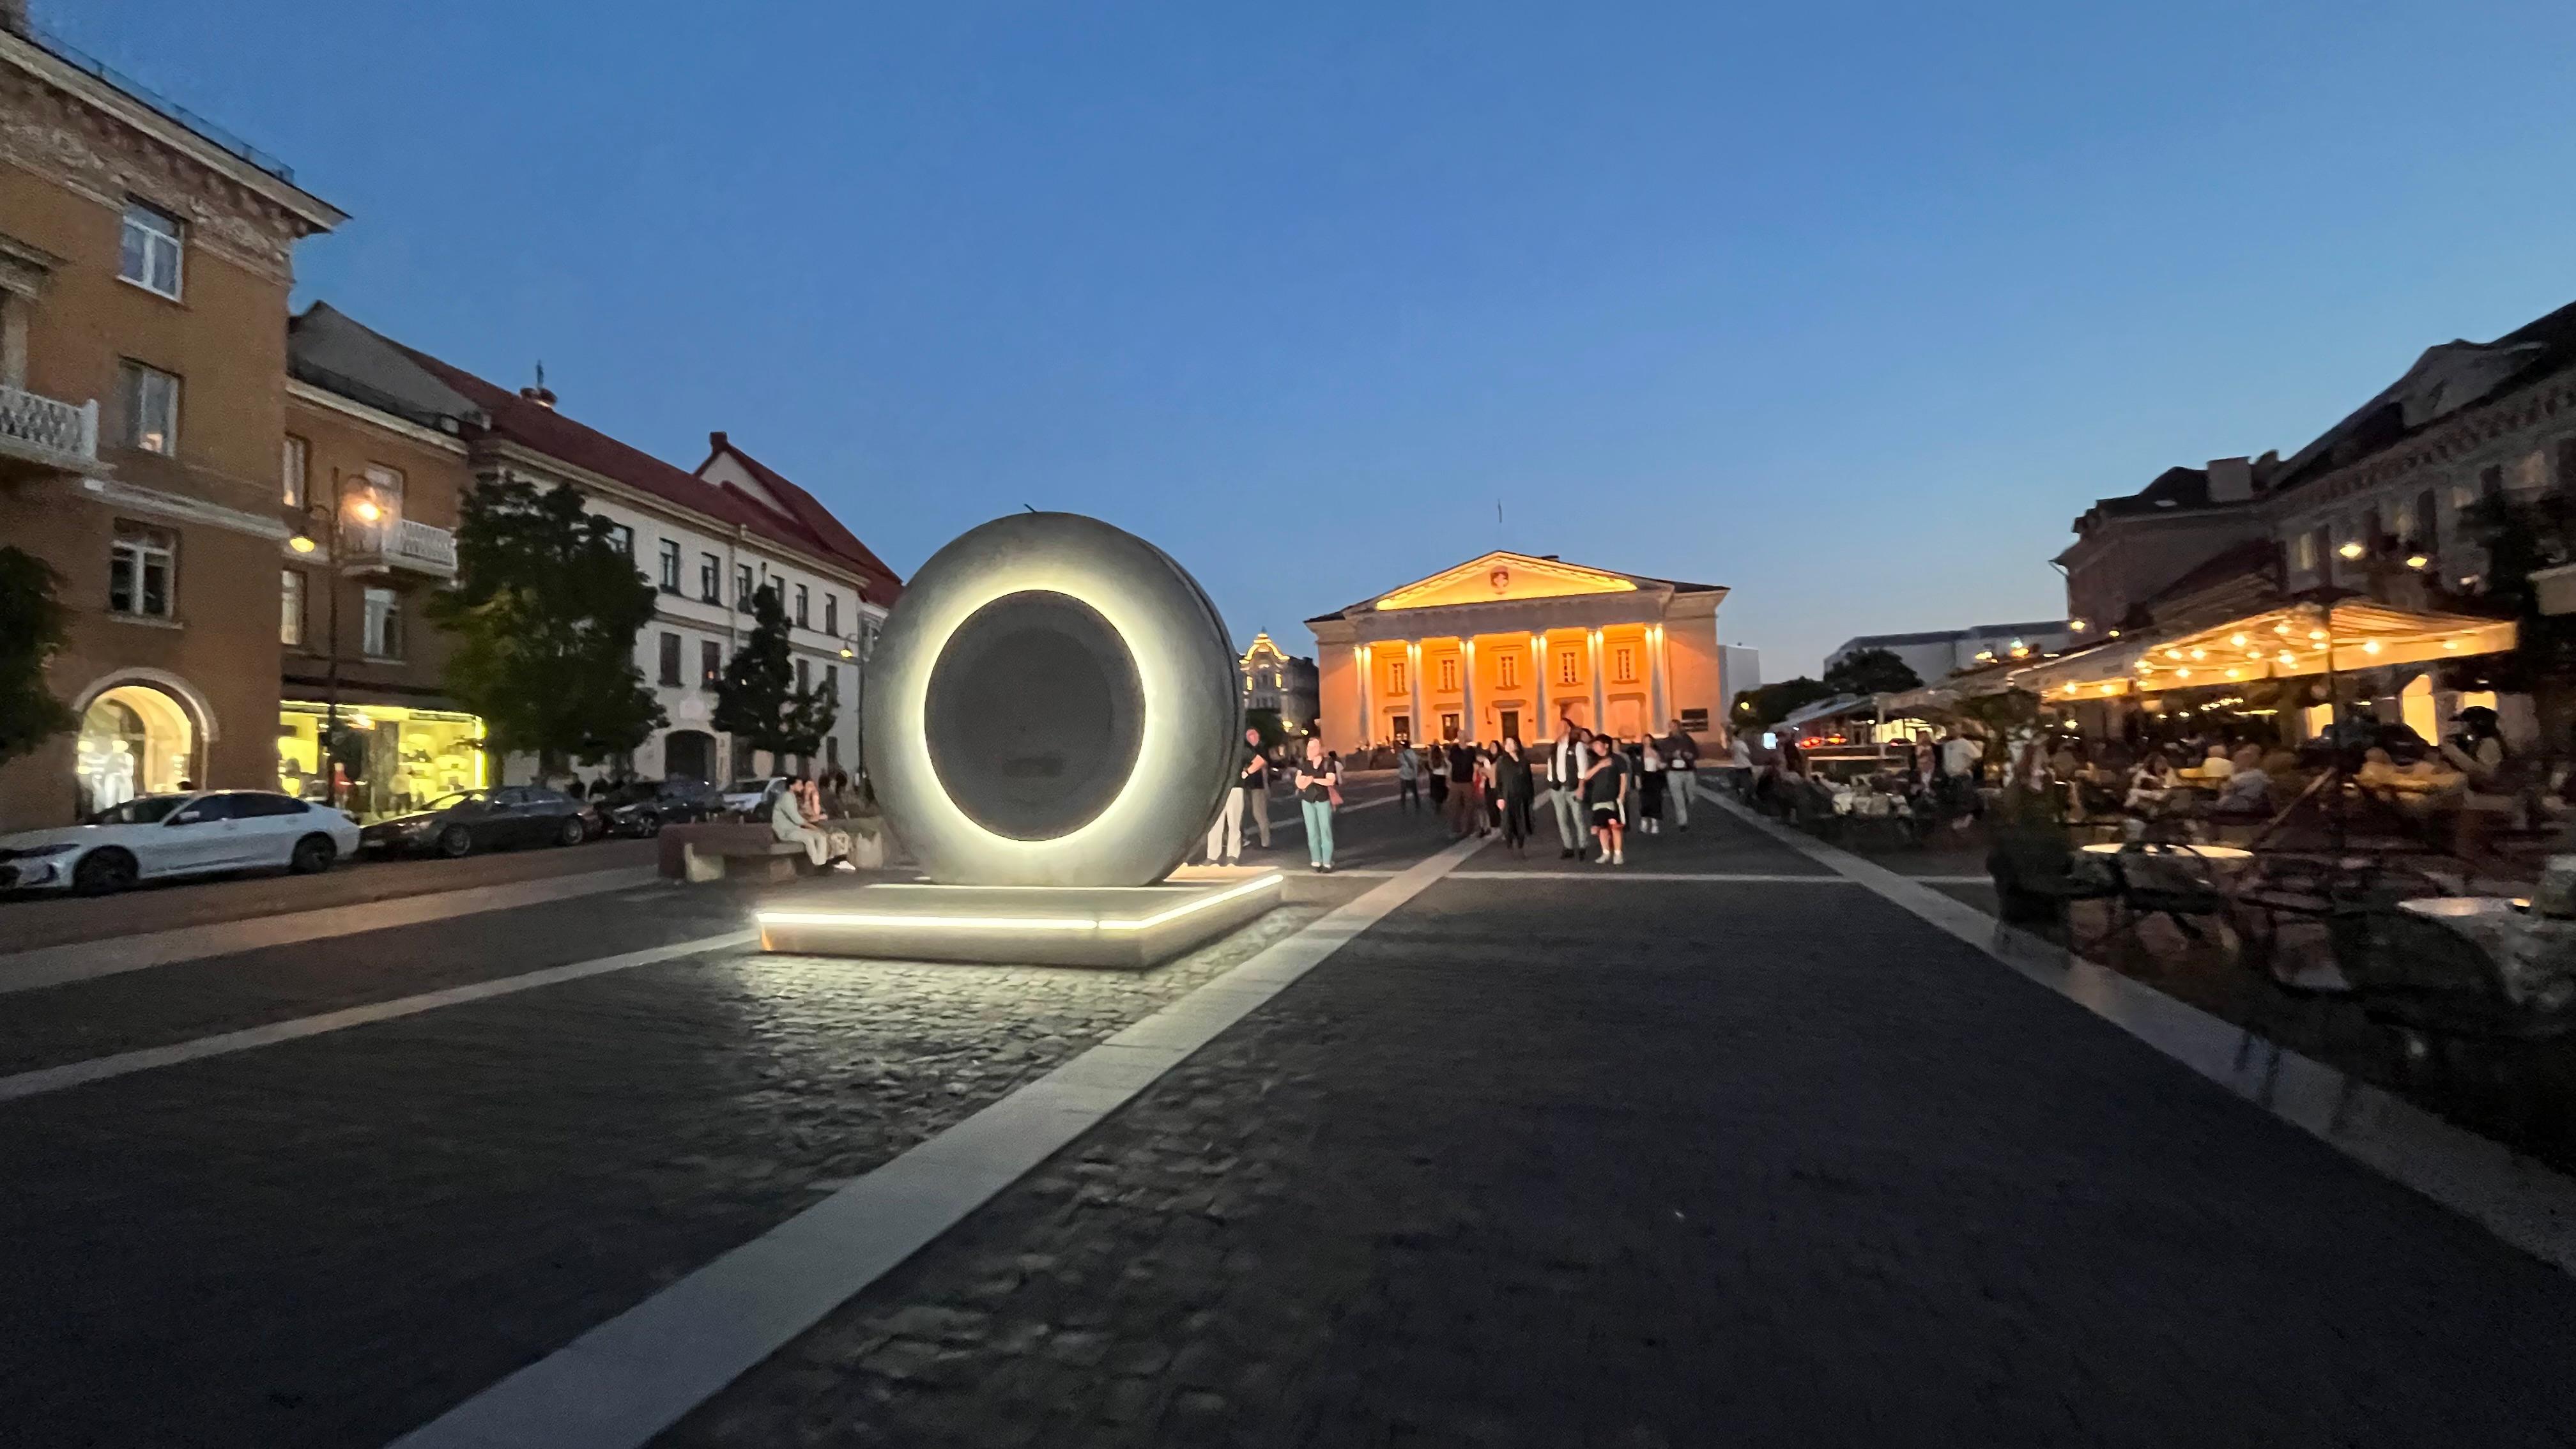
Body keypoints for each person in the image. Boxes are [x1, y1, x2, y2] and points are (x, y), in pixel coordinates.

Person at [770, 777, 854, 871]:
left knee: (821, 836)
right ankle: (817, 864)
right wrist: (813, 827)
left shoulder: (792, 797)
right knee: (809, 839)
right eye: (799, 784)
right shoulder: (787, 797)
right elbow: (797, 819)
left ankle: (822, 863)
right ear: (791, 786)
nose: (801, 787)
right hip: (787, 831)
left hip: (796, 830)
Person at [1204, 726, 1258, 866]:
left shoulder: (1240, 750)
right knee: (1215, 823)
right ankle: (1213, 856)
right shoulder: (1217, 750)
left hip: (1235, 788)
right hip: (1219, 789)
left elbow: (1258, 761)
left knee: (1234, 824)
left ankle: (1232, 855)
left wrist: (1247, 772)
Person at [1294, 737, 1340, 873]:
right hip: (1307, 801)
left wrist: (1312, 779)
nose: (1310, 750)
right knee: (1312, 832)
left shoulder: (1328, 763)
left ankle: (1327, 863)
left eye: (1313, 747)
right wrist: (1307, 781)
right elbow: (1299, 782)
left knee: (1325, 830)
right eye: (1309, 747)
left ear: (1320, 749)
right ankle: (1316, 860)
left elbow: (1331, 781)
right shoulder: (1304, 764)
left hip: (1322, 800)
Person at [1547, 718, 1590, 858]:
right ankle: (1568, 847)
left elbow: (1583, 768)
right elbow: (1550, 765)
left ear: (1568, 728)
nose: (1558, 729)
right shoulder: (1554, 747)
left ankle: (1583, 846)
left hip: (1573, 787)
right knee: (1561, 819)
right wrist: (1551, 781)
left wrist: (1581, 787)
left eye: (1562, 726)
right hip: (1557, 787)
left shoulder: (1576, 746)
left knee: (1578, 818)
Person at [1583, 730, 1627, 864]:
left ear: (1606, 745)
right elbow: (1586, 776)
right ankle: (1605, 853)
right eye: (1594, 745)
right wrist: (1600, 765)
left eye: (1597, 744)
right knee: (1601, 827)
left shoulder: (1617, 759)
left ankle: (1618, 854)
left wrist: (1622, 794)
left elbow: (1623, 777)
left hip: (1612, 798)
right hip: (1597, 798)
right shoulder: (1594, 761)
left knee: (1615, 826)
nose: (1595, 747)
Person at [1495, 737, 1535, 855]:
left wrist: (1531, 795)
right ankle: (1509, 842)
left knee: (1522, 819)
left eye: (1512, 743)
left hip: (1522, 795)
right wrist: (1500, 797)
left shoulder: (1524, 761)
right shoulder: (1502, 761)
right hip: (1508, 795)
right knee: (1508, 821)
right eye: (1507, 743)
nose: (1510, 745)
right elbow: (1499, 781)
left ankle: (1521, 843)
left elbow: (1529, 779)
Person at [1659, 721, 1697, 829]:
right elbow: (1663, 755)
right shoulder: (1666, 742)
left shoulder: (1687, 739)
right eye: (1670, 727)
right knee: (1677, 797)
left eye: (1674, 726)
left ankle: (1688, 799)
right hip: (1673, 772)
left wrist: (1690, 755)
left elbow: (1696, 752)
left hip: (1688, 770)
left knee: (1692, 795)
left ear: (1679, 727)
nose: (1672, 729)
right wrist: (1672, 755)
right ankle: (1683, 822)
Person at [1242, 730, 1273, 847]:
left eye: (1254, 735)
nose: (1252, 738)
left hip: (1258, 785)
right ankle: (1243, 837)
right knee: (1243, 812)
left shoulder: (1261, 749)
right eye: (1249, 736)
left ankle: (1266, 840)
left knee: (1259, 813)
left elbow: (1264, 764)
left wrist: (1266, 786)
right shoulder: (1247, 749)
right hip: (1246, 785)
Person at [1443, 739, 1479, 839]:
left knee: (1470, 806)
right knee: (1454, 805)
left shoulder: (1471, 750)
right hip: (1456, 781)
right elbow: (1451, 765)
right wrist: (1448, 778)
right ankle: (1456, 829)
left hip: (1467, 781)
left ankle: (1470, 829)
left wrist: (1475, 777)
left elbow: (1474, 764)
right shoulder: (1454, 749)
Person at [1638, 734, 1667, 834]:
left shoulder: (1655, 752)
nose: (1647, 742)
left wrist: (1667, 765)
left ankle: (1655, 825)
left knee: (1655, 801)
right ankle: (1644, 824)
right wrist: (1638, 781)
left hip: (1654, 777)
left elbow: (1660, 765)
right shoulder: (1640, 753)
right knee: (1644, 801)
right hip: (1645, 777)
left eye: (1649, 740)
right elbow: (1637, 769)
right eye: (1645, 740)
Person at [1395, 739, 1422, 812]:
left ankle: (1403, 806)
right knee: (1415, 792)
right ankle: (1417, 805)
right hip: (1412, 775)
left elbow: (1400, 764)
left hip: (1404, 775)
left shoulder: (1402, 755)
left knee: (1404, 792)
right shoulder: (1413, 753)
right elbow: (1416, 762)